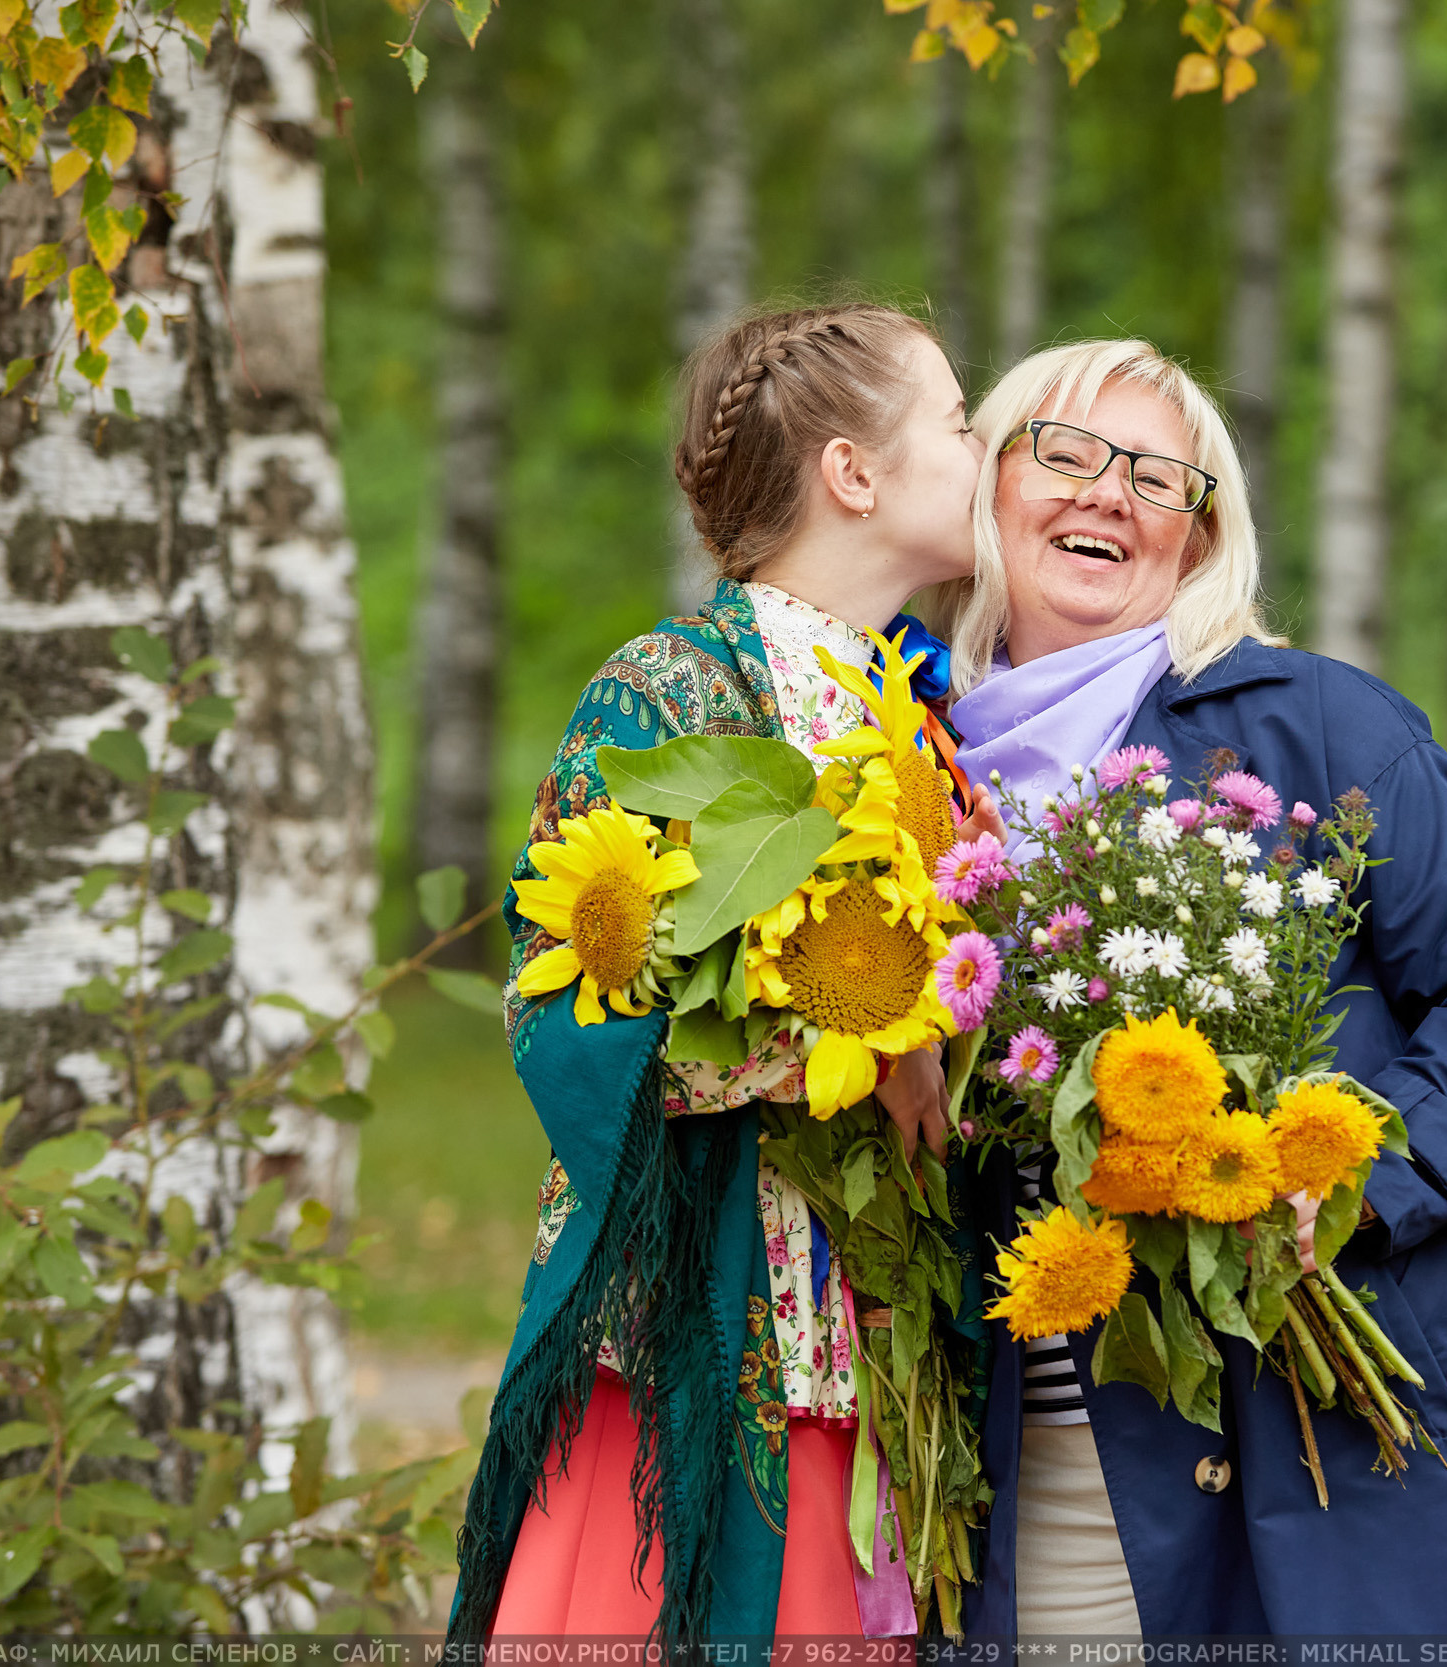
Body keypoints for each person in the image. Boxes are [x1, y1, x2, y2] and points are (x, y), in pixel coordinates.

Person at [928, 339, 1447, 1635]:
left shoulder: (1320, 725)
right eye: (1065, 453)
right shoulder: (904, 762)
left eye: (1158, 477)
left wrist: (1344, 1183)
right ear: (985, 489)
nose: (1107, 494)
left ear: (1197, 536)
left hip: (1312, 1428)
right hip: (1028, 1451)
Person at [445, 302, 999, 1645]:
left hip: (878, 1335)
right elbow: (561, 1004)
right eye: (960, 424)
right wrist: (861, 1032)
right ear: (852, 474)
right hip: (707, 1315)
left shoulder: (917, 716)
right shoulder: (673, 689)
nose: (989, 454)